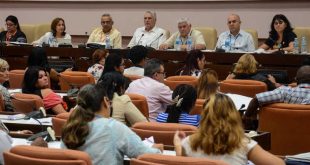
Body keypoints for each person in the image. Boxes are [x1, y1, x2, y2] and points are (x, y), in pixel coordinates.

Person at [61, 84, 161, 165]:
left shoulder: (70, 127)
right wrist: (158, 150)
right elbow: (146, 156)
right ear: (105, 101)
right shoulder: (113, 127)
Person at [174, 93, 285, 165]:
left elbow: (181, 160)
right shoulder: (242, 143)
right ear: (233, 115)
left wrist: (178, 144)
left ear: (205, 116)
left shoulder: (188, 142)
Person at [244, 65, 310, 129]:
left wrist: (247, 118)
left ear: (296, 79)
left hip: (278, 137)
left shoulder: (284, 91)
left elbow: (256, 99)